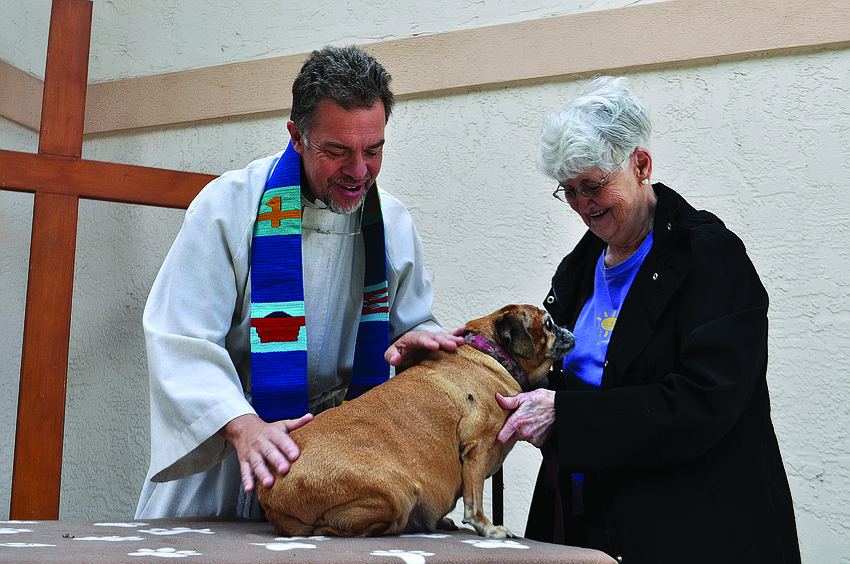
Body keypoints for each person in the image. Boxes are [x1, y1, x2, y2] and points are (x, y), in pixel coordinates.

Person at [135, 46, 462, 519]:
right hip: (236, 455)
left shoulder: (390, 220)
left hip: (338, 465)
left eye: (373, 151)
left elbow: (410, 324)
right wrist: (241, 423)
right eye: (337, 151)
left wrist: (416, 340)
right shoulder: (230, 208)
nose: (358, 171)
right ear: (297, 136)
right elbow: (180, 337)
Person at [496, 77, 801, 563]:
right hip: (591, 525)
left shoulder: (710, 258)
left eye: (593, 186)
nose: (582, 205)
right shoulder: (578, 270)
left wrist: (566, 417)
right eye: (569, 191)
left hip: (692, 531)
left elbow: (704, 401)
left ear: (640, 164)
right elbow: (550, 371)